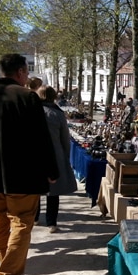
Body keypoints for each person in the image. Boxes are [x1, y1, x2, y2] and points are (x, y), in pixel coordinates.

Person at [0, 53, 59, 275]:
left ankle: (8, 271)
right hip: (21, 175)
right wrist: (51, 170)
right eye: (26, 72)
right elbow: (41, 138)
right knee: (21, 222)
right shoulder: (27, 97)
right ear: (19, 72)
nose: (27, 76)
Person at [34, 85, 78, 233]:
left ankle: (34, 217)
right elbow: (65, 138)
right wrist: (65, 155)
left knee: (35, 190)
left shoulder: (32, 112)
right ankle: (51, 222)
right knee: (54, 191)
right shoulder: (57, 114)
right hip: (55, 154)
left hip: (36, 155)